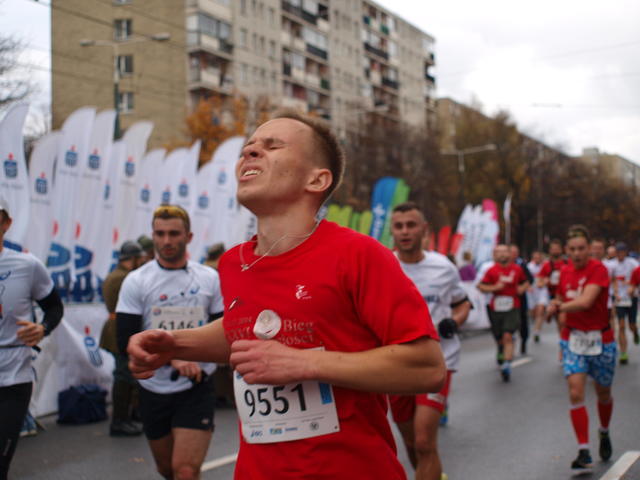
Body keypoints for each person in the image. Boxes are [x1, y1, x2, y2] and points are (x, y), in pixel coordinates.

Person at [127, 111, 446, 480]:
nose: (249, 152)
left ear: (316, 179)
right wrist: (175, 344)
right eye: (248, 148)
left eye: (272, 146)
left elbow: (427, 368)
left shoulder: (359, 254)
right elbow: (242, 331)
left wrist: (304, 364)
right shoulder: (233, 263)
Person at [117, 205, 224, 479]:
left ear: (189, 237)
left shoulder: (209, 278)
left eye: (174, 234)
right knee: (166, 469)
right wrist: (173, 357)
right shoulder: (136, 281)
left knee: (185, 470)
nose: (166, 241)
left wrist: (192, 357)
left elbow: (223, 334)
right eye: (160, 233)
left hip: (196, 385)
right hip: (153, 387)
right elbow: (124, 341)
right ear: (153, 235)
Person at [389, 202, 471, 480]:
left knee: (424, 441)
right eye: (399, 226)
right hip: (397, 365)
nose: (405, 231)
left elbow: (463, 303)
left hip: (437, 361)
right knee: (411, 442)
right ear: (392, 231)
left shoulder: (443, 267)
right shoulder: (384, 266)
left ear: (424, 229)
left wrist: (454, 322)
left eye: (411, 225)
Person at [0, 198, 64, 480]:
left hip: (14, 373)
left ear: (6, 223)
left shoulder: (27, 265)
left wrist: (42, 329)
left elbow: (54, 308)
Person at [547, 225, 615, 472]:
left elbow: (586, 301)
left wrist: (559, 307)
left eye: (581, 249)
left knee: (603, 393)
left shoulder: (599, 269)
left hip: (601, 339)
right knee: (576, 392)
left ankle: (604, 431)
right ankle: (583, 450)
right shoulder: (564, 272)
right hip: (573, 339)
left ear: (589, 249)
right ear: (567, 250)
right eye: (573, 249)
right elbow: (561, 298)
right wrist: (554, 305)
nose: (577, 254)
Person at [100, 240, 144, 436]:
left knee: (125, 375)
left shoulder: (117, 275)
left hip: (115, 326)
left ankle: (125, 417)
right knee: (123, 376)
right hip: (119, 328)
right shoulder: (124, 278)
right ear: (132, 259)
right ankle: (119, 420)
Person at [478, 244, 530, 381]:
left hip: (513, 307)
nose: (502, 255)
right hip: (496, 308)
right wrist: (494, 287)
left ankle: (506, 364)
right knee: (499, 337)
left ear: (509, 253)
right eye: (498, 252)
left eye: (504, 252)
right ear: (494, 255)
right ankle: (501, 349)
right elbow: (481, 286)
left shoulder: (517, 269)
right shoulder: (491, 270)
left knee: (508, 335)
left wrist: (521, 289)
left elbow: (526, 282)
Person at [510, 244, 533, 354]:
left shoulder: (521, 265)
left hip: (520, 298)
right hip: (507, 299)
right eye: (512, 252)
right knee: (508, 324)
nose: (514, 254)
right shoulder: (501, 264)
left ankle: (523, 340)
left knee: (522, 321)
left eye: (516, 252)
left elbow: (530, 279)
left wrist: (522, 288)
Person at [527, 251, 549, 343]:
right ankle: (535, 324)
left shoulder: (545, 266)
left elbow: (547, 277)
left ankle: (537, 331)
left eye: (538, 258)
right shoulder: (529, 266)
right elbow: (525, 278)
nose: (537, 259)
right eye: (535, 258)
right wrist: (528, 287)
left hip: (542, 291)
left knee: (540, 310)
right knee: (533, 313)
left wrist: (544, 282)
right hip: (531, 292)